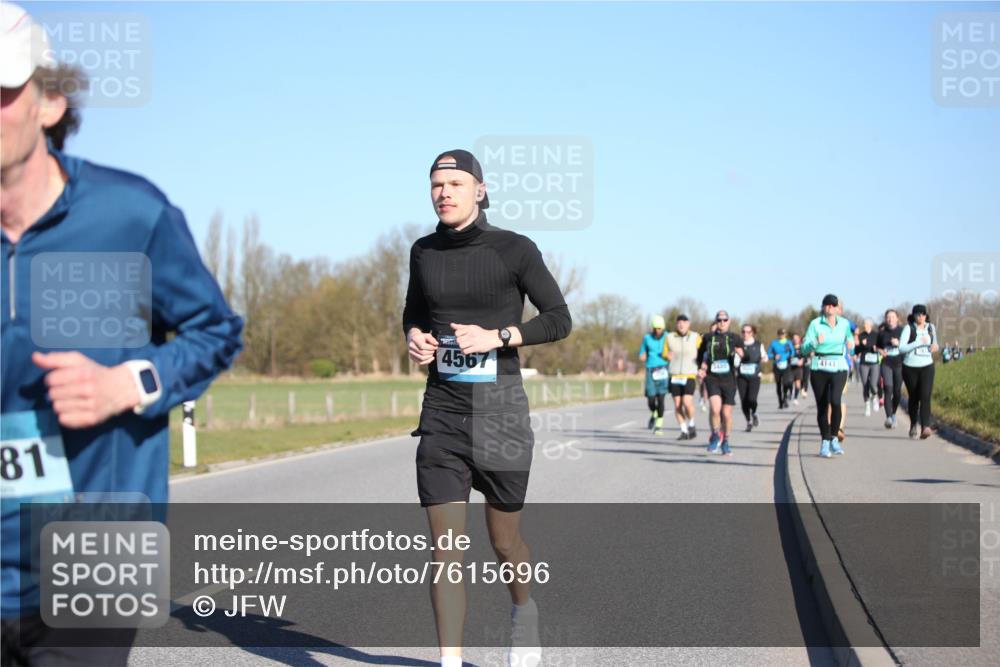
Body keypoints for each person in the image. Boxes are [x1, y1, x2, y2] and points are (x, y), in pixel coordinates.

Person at [1, 4, 243, 663]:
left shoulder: (129, 216)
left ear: (50, 101)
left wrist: (128, 381)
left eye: (1, 91)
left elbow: (215, 330)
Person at [403, 149, 571, 667]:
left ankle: (524, 611)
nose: (444, 192)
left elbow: (559, 318)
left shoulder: (514, 249)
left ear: (479, 189)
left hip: (501, 413)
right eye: (436, 184)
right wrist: (414, 336)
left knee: (505, 542)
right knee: (445, 551)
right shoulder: (423, 251)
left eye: (455, 182)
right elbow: (414, 311)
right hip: (443, 413)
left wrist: (499, 335)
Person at [801, 294, 855, 458]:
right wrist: (815, 342)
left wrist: (851, 344)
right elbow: (804, 348)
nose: (830, 307)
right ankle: (825, 442)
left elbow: (850, 341)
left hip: (839, 366)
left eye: (833, 305)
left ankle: (833, 438)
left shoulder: (844, 323)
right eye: (827, 305)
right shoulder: (815, 324)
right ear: (823, 307)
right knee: (823, 406)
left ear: (838, 308)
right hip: (819, 367)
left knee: (836, 401)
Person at [696, 310, 744, 456]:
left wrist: (739, 355)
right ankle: (716, 434)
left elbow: (743, 355)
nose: (722, 322)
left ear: (729, 321)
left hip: (729, 379)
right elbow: (702, 356)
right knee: (715, 409)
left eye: (725, 320)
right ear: (716, 321)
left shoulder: (735, 338)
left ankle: (726, 441)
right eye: (719, 320)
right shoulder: (708, 337)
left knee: (726, 413)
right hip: (713, 378)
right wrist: (702, 369)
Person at [899, 304, 938, 439]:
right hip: (910, 367)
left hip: (927, 366)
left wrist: (934, 347)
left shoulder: (931, 328)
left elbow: (935, 344)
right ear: (913, 315)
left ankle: (925, 427)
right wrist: (917, 343)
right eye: (917, 314)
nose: (920, 317)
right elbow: (901, 348)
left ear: (926, 315)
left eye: (923, 314)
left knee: (925, 396)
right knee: (914, 397)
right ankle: (913, 424)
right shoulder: (908, 329)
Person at [662, 314, 701, 440]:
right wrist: (667, 355)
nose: (681, 324)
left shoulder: (695, 337)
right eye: (679, 322)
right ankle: (684, 430)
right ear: (676, 324)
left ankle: (692, 424)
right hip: (674, 375)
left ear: (688, 324)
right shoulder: (670, 337)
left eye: (684, 322)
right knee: (677, 404)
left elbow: (703, 352)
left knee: (687, 402)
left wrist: (702, 367)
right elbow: (664, 353)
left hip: (689, 374)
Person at [639, 315, 670, 435]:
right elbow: (642, 352)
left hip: (663, 369)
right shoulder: (647, 338)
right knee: (651, 399)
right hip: (650, 370)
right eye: (656, 328)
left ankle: (658, 425)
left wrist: (670, 355)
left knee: (661, 399)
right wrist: (642, 356)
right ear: (652, 328)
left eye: (660, 328)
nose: (658, 330)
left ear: (663, 328)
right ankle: (654, 413)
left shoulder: (668, 337)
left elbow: (673, 350)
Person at [876, 309, 904, 429]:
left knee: (897, 392)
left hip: (899, 363)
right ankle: (888, 418)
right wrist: (880, 350)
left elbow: (909, 345)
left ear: (897, 318)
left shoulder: (903, 331)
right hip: (886, 363)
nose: (890, 319)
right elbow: (877, 346)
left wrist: (899, 343)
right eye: (888, 317)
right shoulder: (882, 333)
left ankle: (893, 413)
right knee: (888, 388)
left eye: (892, 317)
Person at [736, 324, 768, 432]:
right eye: (743, 332)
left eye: (747, 332)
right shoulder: (738, 345)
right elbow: (734, 361)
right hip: (741, 377)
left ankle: (754, 413)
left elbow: (765, 357)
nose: (745, 334)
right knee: (743, 400)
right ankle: (748, 421)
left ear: (752, 333)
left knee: (752, 399)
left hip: (755, 376)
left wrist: (764, 358)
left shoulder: (758, 344)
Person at [855, 319, 881, 416]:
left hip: (874, 362)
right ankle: (867, 405)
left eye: (866, 324)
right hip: (864, 363)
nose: (865, 325)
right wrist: (859, 347)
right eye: (864, 324)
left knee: (873, 384)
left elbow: (879, 347)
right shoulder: (861, 336)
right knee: (865, 384)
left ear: (871, 324)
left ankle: (874, 397)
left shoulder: (876, 335)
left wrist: (874, 347)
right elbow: (857, 350)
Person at [767, 329, 794, 409]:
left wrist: (790, 355)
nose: (782, 335)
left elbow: (792, 352)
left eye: (784, 334)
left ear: (786, 334)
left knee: (786, 383)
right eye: (780, 334)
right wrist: (774, 356)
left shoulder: (788, 342)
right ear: (778, 334)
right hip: (777, 366)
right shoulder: (774, 343)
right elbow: (768, 354)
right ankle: (780, 402)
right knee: (778, 384)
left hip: (786, 365)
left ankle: (785, 397)